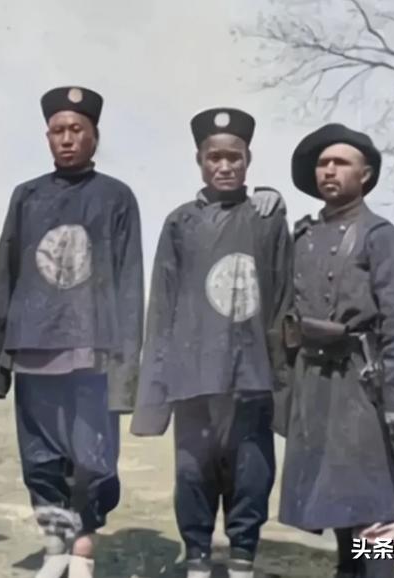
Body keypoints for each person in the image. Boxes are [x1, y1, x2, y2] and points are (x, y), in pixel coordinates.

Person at [0, 86, 144, 578]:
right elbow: (5, 275)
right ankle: (55, 549)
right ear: (47, 137)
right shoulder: (26, 196)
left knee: (93, 459)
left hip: (93, 353)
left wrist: (127, 370)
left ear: (94, 137)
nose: (67, 139)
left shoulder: (116, 197)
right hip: (34, 349)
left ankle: (82, 549)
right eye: (58, 131)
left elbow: (130, 283)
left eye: (77, 130)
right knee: (41, 459)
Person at [131, 107, 293, 578]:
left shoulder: (266, 219)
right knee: (192, 473)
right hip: (194, 377)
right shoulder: (180, 223)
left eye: (234, 157)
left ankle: (243, 557)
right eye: (214, 157)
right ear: (199, 161)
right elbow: (162, 309)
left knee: (252, 473)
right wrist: (157, 390)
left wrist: (282, 380)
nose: (224, 166)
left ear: (248, 160)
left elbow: (284, 300)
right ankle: (197, 557)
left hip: (252, 377)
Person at [277, 123, 394, 578]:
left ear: (365, 175)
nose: (329, 171)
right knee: (336, 494)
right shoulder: (303, 237)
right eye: (322, 164)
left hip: (361, 383)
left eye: (341, 163)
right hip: (314, 383)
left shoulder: (381, 237)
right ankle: (349, 572)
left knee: (373, 499)